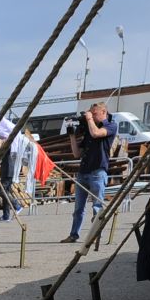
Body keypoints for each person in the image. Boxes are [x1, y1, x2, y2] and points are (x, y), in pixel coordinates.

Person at [64, 102, 116, 244]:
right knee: (78, 208)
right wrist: (72, 136)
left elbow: (96, 133)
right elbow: (76, 153)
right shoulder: (89, 128)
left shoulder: (110, 125)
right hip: (83, 172)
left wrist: (88, 119)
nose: (91, 116)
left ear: (103, 112)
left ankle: (95, 236)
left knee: (96, 207)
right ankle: (74, 235)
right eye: (90, 113)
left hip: (98, 172)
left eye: (94, 113)